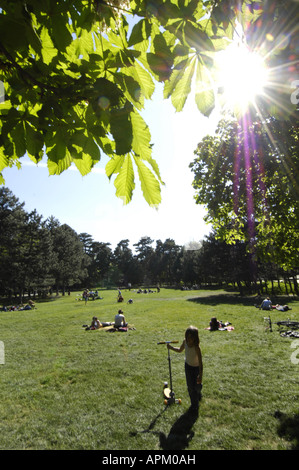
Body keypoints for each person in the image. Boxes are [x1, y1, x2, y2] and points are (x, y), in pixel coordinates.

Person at [167, 326, 203, 412]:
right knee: (190, 387)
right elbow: (180, 350)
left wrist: (200, 375)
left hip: (196, 369)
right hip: (188, 367)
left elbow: (201, 363)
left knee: (197, 386)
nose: (188, 340)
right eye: (187, 337)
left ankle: (198, 393)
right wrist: (171, 347)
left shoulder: (197, 348)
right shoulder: (185, 342)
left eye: (191, 338)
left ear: (195, 338)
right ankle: (194, 405)